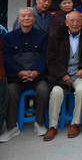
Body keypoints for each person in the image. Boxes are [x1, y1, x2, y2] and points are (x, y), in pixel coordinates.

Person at [0, 8, 49, 143]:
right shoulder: (9, 37)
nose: (26, 18)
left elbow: (45, 56)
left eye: (29, 16)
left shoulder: (43, 35)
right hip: (17, 77)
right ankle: (11, 127)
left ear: (34, 19)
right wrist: (18, 72)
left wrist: (35, 72)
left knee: (44, 90)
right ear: (19, 19)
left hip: (37, 77)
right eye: (23, 16)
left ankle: (39, 123)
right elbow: (6, 57)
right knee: (9, 91)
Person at [45, 11, 82, 141]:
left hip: (79, 75)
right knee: (56, 93)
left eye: (78, 21)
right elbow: (51, 59)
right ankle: (52, 126)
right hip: (61, 77)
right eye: (71, 21)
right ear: (66, 22)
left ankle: (75, 123)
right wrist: (62, 74)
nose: (75, 24)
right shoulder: (55, 37)